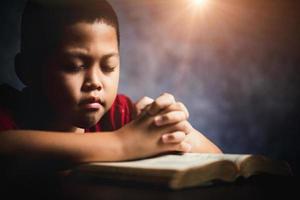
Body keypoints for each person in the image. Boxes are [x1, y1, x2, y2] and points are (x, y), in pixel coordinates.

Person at [0, 0, 221, 177]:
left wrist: (172, 126)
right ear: (27, 70)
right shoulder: (8, 111)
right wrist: (123, 143)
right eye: (74, 66)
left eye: (108, 66)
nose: (95, 81)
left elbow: (219, 160)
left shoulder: (119, 115)